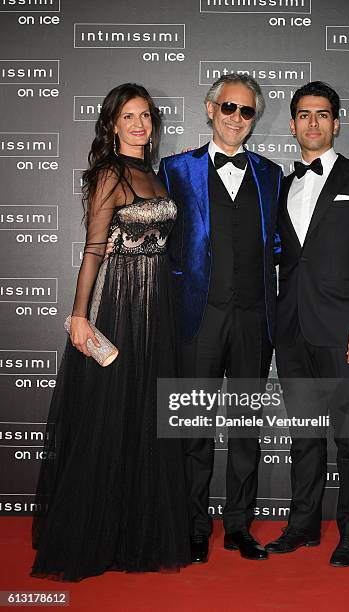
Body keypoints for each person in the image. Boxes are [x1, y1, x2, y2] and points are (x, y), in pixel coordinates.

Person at [31, 83, 191, 580]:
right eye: (128, 116)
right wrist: (80, 317)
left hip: (156, 305)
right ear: (113, 125)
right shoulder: (109, 174)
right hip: (119, 302)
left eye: (145, 115)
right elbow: (94, 250)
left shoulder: (157, 175)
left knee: (147, 419)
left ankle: (137, 532)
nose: (139, 124)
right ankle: (95, 535)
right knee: (111, 415)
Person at [265, 81, 349, 567]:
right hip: (292, 330)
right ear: (294, 123)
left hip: (344, 332)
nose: (312, 123)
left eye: (322, 115)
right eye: (303, 114)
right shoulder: (282, 185)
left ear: (336, 123)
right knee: (304, 435)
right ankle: (302, 527)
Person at [158, 74, 283, 563]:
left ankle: (238, 526)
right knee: (194, 426)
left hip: (255, 318)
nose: (236, 117)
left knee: (247, 427)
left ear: (254, 119)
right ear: (210, 110)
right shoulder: (174, 169)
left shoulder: (271, 174)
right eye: (228, 107)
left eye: (246, 111)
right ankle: (193, 524)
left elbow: (283, 246)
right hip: (198, 317)